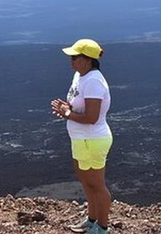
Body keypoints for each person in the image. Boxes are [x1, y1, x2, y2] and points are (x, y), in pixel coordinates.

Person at [51, 38, 113, 234]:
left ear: (87, 60)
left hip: (93, 139)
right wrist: (66, 107)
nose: (71, 61)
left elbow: (92, 117)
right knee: (86, 181)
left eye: (75, 57)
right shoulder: (80, 76)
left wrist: (67, 114)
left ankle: (102, 228)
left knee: (97, 184)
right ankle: (92, 219)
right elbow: (79, 105)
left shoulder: (94, 80)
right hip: (81, 139)